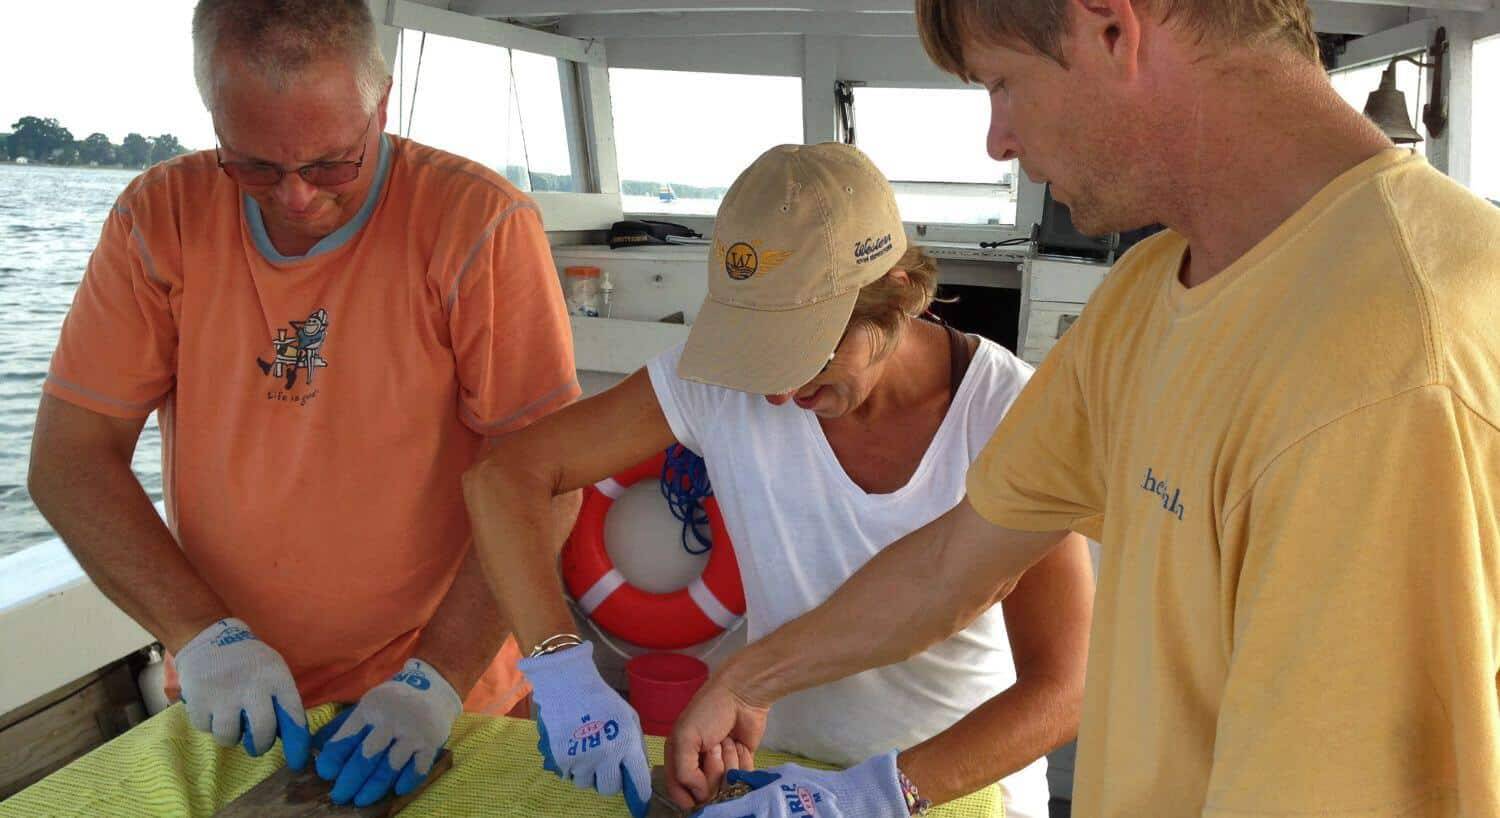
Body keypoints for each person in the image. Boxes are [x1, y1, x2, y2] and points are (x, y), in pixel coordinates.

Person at [665, 1, 1500, 816]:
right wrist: (746, 677)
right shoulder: (1148, 293)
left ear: (1110, 28)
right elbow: (958, 561)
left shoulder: (1396, 347)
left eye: (1001, 83)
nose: (998, 140)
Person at [26, 0, 579, 808]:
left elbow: (546, 474)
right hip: (232, 691)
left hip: (440, 696)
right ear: (211, 113)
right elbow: (71, 457)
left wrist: (438, 678)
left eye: (331, 164)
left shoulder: (477, 223)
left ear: (380, 103)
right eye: (252, 166)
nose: (294, 199)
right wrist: (201, 635)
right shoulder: (158, 216)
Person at [463, 142, 1093, 818]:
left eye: (809, 349)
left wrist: (880, 794)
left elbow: (1067, 688)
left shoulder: (1010, 414)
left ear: (900, 295)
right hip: (777, 777)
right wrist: (559, 667)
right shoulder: (719, 382)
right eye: (759, 351)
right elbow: (505, 477)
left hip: (956, 786)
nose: (779, 388)